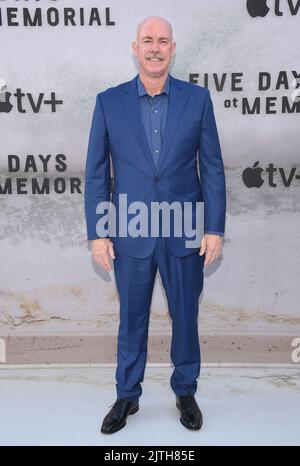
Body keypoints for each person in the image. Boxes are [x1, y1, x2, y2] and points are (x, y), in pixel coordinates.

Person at [84, 16, 226, 434]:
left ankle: (185, 390)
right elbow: (96, 174)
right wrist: (98, 231)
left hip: (185, 227)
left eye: (162, 41)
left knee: (185, 316)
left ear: (173, 48)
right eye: (148, 40)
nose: (155, 48)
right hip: (130, 228)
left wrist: (213, 228)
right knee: (132, 318)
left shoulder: (197, 100)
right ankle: (127, 395)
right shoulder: (108, 102)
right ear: (135, 47)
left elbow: (213, 167)